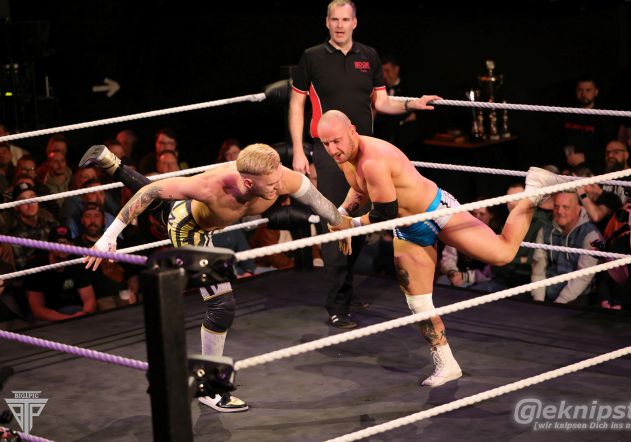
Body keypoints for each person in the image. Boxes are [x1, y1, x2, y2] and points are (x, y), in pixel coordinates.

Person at [79, 143, 345, 412]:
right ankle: (208, 387)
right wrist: (108, 237)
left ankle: (109, 161)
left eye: (279, 178)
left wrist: (342, 224)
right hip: (189, 230)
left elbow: (315, 198)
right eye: (271, 184)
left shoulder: (279, 177)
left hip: (199, 217)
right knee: (221, 306)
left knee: (161, 206)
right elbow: (150, 191)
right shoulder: (212, 186)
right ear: (248, 183)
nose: (278, 186)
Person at [318, 110, 562, 387]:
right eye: (326, 144)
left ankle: (533, 192)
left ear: (352, 130)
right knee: (418, 303)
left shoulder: (373, 159)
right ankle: (447, 364)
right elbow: (361, 188)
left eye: (336, 141)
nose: (332, 150)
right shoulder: (345, 156)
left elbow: (384, 214)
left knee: (503, 253)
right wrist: (340, 214)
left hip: (436, 212)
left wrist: (349, 224)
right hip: (409, 229)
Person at [289, 0, 439, 328]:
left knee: (360, 223)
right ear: (327, 22)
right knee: (335, 219)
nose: (340, 25)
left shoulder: (368, 56)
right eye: (334, 19)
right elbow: (297, 105)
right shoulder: (312, 57)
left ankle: (346, 290)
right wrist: (299, 151)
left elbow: (382, 102)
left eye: (346, 19)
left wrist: (412, 104)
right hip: (329, 152)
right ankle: (337, 304)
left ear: (354, 22)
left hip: (365, 153)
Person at [531, 192, 602, 305]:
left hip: (578, 299)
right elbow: (538, 269)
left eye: (565, 207)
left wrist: (559, 304)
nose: (560, 211)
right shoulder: (544, 231)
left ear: (578, 209)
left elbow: (583, 277)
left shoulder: (592, 236)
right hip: (547, 296)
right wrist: (539, 301)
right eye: (556, 206)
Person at [24, 225, 97, 322]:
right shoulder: (36, 266)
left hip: (73, 310)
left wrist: (84, 314)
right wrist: (68, 319)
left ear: (72, 245)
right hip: (45, 317)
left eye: (66, 243)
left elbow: (89, 299)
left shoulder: (77, 262)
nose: (63, 247)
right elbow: (38, 311)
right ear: (49, 246)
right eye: (58, 243)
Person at [560, 78, 613, 173]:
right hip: (569, 167)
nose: (583, 94)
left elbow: (609, 147)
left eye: (588, 90)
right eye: (580, 90)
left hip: (594, 170)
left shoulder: (604, 115)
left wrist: (585, 157)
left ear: (596, 92)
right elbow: (560, 141)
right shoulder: (568, 113)